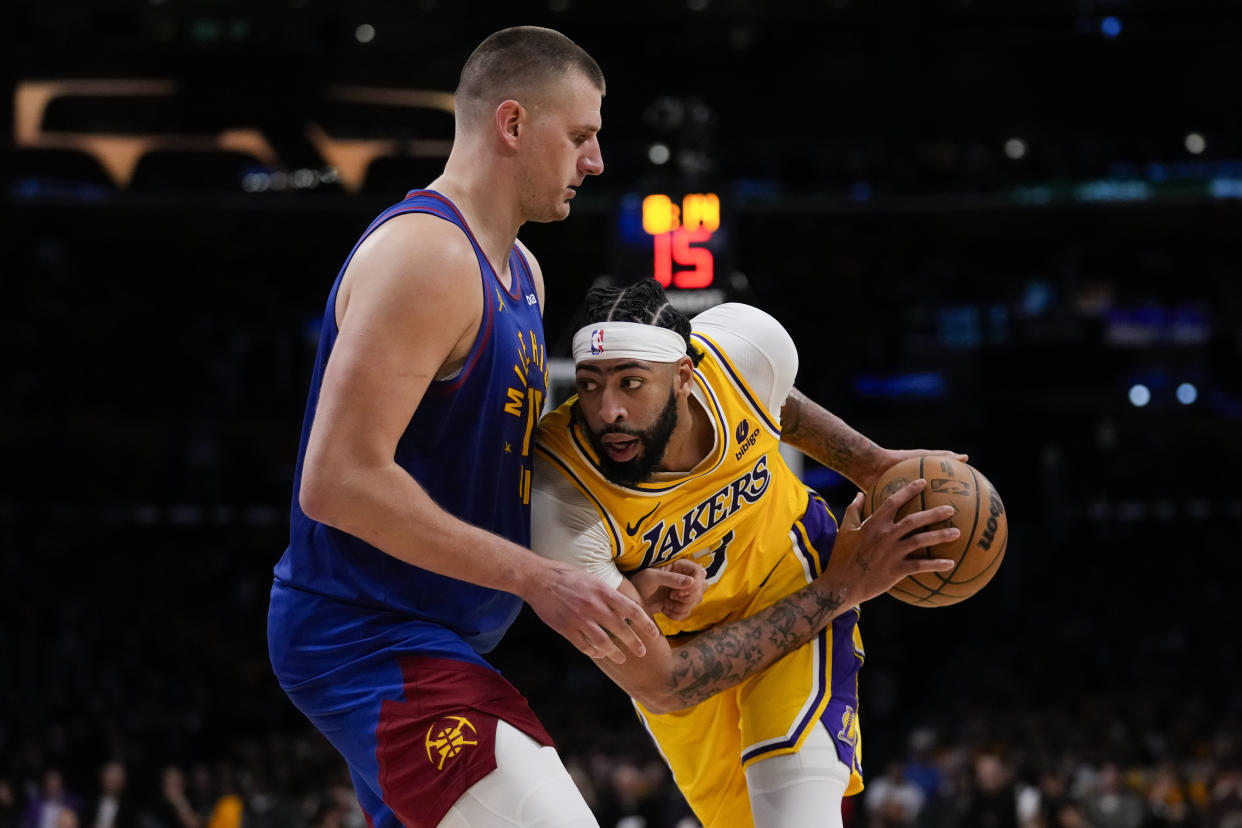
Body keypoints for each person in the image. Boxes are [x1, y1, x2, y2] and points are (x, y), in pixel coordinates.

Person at [266, 26, 682, 828]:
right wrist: (537, 580)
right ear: (514, 125)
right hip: (366, 635)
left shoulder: (521, 271)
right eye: (582, 136)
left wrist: (608, 578)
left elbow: (500, 478)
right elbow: (337, 480)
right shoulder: (427, 255)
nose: (594, 162)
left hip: (433, 635)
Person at [531, 278, 965, 828]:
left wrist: (870, 464)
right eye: (589, 386)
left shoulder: (748, 348)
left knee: (797, 814)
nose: (607, 410)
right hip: (686, 661)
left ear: (686, 376)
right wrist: (847, 586)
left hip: (793, 579)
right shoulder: (558, 494)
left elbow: (778, 401)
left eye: (631, 383)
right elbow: (662, 683)